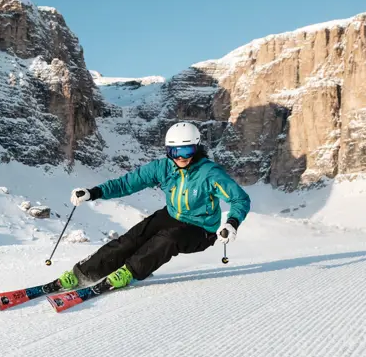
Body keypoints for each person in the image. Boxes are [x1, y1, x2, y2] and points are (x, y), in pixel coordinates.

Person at [60, 121, 251, 291]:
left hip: (202, 229)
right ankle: (83, 274)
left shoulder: (209, 173)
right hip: (171, 215)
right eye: (174, 152)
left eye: (187, 151)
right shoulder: (163, 168)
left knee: (168, 239)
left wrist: (231, 223)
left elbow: (240, 199)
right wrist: (93, 193)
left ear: (197, 148)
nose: (180, 157)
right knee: (131, 239)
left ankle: (129, 272)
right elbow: (127, 184)